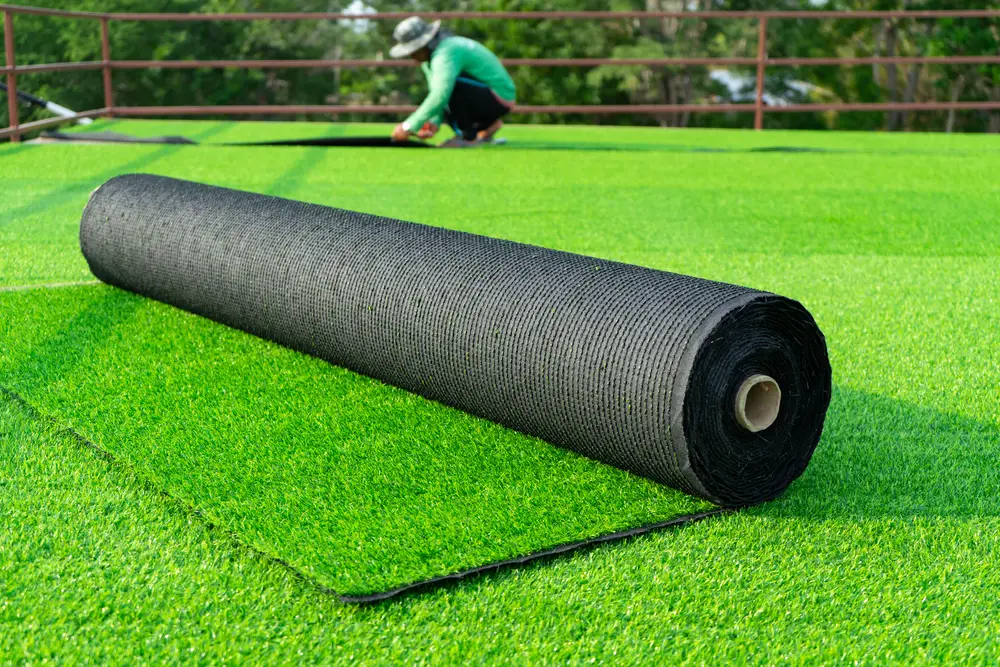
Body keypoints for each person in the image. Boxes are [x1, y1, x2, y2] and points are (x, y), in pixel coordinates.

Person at [388, 17, 516, 146]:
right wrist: (434, 122)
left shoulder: (445, 53)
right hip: (490, 97)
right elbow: (435, 90)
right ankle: (488, 127)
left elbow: (440, 94)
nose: (412, 56)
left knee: (452, 86)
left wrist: (408, 126)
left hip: (498, 97)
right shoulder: (431, 56)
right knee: (448, 87)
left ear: (424, 44)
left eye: (413, 51)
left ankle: (467, 138)